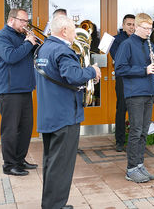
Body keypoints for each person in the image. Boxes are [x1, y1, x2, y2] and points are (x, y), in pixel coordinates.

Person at [35, 15, 100, 209]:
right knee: (62, 164)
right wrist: (92, 71)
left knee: (51, 161)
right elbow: (72, 76)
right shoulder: (63, 50)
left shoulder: (42, 48)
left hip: (49, 113)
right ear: (64, 31)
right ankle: (56, 205)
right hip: (65, 115)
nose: (75, 34)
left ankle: (50, 203)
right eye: (73, 30)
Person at [0, 8, 38, 176]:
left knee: (26, 128)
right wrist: (28, 43)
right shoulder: (1, 37)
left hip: (24, 89)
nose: (26, 24)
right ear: (11, 20)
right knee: (10, 129)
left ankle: (19, 159)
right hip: (8, 90)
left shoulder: (21, 37)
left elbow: (34, 55)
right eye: (23, 21)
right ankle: (9, 165)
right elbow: (10, 56)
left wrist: (35, 44)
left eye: (27, 21)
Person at [115, 13, 154, 183]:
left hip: (148, 91)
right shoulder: (126, 45)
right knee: (135, 131)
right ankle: (131, 168)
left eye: (151, 28)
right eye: (146, 28)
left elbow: (150, 64)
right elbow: (120, 69)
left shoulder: (149, 44)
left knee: (143, 131)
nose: (149, 31)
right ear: (137, 27)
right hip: (135, 94)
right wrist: (144, 70)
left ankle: (140, 164)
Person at [109, 14, 135, 152]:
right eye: (129, 24)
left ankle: (134, 140)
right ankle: (120, 141)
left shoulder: (140, 39)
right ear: (123, 25)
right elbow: (119, 59)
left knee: (135, 109)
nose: (131, 27)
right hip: (123, 79)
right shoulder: (115, 40)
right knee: (122, 109)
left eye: (133, 24)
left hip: (137, 79)